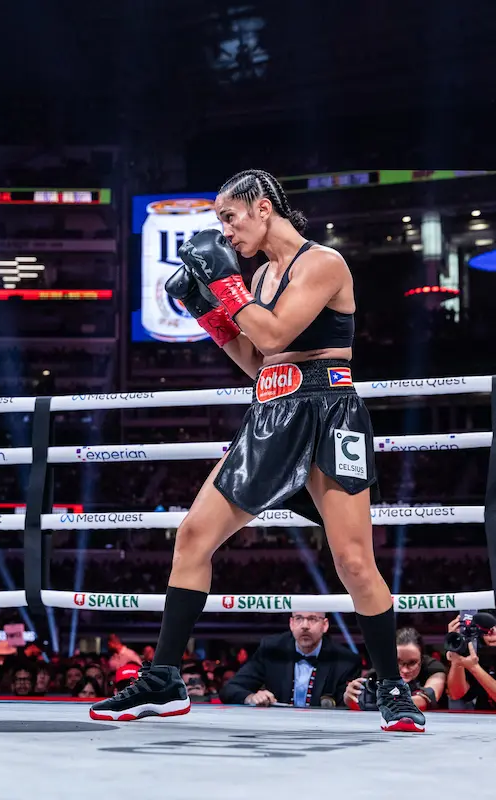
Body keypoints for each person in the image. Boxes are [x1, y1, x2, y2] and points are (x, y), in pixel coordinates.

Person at [91, 169, 425, 732]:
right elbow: (258, 360)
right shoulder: (263, 276)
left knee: (353, 562)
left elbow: (273, 335)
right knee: (193, 536)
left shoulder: (322, 263)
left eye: (230, 217)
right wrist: (208, 315)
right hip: (271, 412)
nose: (225, 231)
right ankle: (166, 679)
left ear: (263, 207)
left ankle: (392, 687)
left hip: (328, 411)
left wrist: (224, 287)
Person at [220, 613, 361, 708]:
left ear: (324, 625)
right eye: (299, 618)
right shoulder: (272, 649)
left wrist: (348, 700)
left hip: (324, 730)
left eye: (312, 619)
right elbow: (230, 689)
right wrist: (251, 697)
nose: (305, 625)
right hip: (276, 728)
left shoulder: (346, 660)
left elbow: (345, 704)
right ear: (291, 623)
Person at [344, 627, 447, 712]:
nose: (405, 670)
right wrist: (349, 697)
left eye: (412, 663)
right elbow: (361, 701)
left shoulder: (434, 669)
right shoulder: (379, 670)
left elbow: (426, 699)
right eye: (398, 662)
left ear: (422, 659)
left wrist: (385, 702)